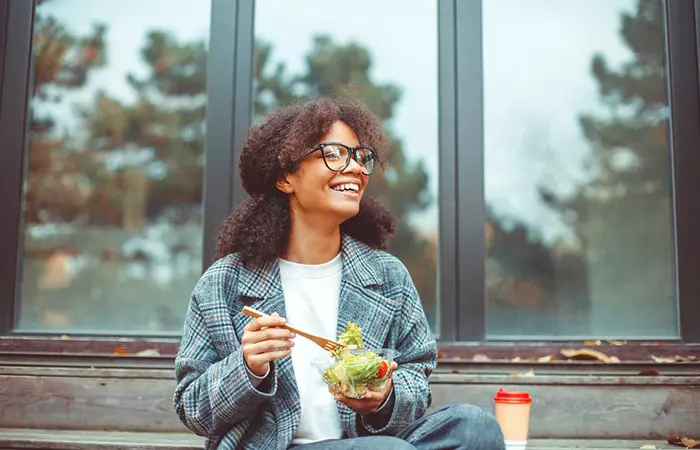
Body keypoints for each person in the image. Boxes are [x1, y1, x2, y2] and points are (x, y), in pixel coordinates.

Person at [173, 97, 505, 450]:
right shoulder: (227, 282)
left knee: (475, 429)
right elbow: (192, 409)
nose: (356, 169)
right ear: (286, 177)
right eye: (334, 154)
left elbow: (416, 382)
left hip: (367, 444)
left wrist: (385, 397)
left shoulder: (387, 276)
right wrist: (247, 367)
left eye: (362, 157)